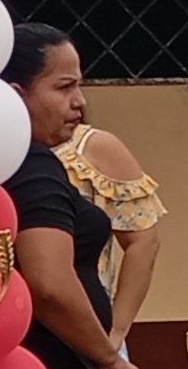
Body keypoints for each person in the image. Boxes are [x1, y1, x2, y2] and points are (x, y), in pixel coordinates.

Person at [0, 26, 141, 369]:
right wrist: (110, 361)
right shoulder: (30, 164)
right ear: (17, 94)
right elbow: (49, 283)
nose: (80, 102)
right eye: (64, 87)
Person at [57, 116, 167, 338]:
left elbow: (143, 241)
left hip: (88, 324)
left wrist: (117, 329)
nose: (77, 101)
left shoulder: (91, 147)